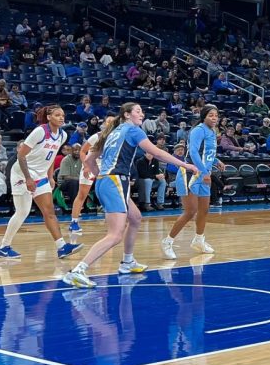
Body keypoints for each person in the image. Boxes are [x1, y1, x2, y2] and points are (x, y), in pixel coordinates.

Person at [61, 103, 198, 288]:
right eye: (138, 111)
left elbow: (90, 159)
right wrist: (184, 165)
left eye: (142, 110)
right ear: (126, 115)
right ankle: (78, 271)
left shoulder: (111, 132)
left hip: (107, 180)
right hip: (115, 181)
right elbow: (156, 152)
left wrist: (99, 175)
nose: (142, 114)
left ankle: (127, 262)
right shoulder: (133, 131)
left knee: (135, 218)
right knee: (115, 235)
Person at [0, 106, 82, 259]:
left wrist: (50, 176)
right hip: (22, 172)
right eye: (57, 115)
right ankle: (3, 247)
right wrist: (28, 178)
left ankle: (62, 247)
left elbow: (52, 156)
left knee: (49, 212)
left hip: (40, 175)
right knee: (22, 212)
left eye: (63, 115)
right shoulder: (40, 131)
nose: (61, 118)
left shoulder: (62, 135)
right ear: (49, 117)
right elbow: (21, 156)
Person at [162, 105, 224, 258]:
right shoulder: (198, 130)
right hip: (190, 173)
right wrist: (203, 172)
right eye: (211, 115)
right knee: (190, 211)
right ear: (204, 116)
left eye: (216, 115)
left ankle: (199, 240)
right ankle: (167, 241)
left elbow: (207, 153)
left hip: (203, 174)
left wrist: (216, 161)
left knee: (204, 210)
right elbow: (194, 152)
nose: (214, 118)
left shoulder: (212, 131)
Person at [69, 120, 109, 231]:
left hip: (105, 168)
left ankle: (113, 220)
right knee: (82, 195)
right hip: (91, 165)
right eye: (108, 123)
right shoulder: (96, 137)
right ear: (103, 125)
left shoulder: (116, 138)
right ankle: (74, 222)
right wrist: (86, 166)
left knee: (110, 194)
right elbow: (82, 151)